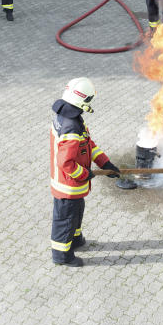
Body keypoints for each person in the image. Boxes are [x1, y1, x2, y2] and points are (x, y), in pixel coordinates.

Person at [49, 77, 119, 267]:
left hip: (73, 186)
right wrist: (85, 174)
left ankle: (75, 239)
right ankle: (62, 255)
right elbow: (66, 162)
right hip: (68, 186)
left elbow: (89, 145)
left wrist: (105, 163)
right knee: (65, 219)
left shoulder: (71, 118)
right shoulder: (71, 127)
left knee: (76, 213)